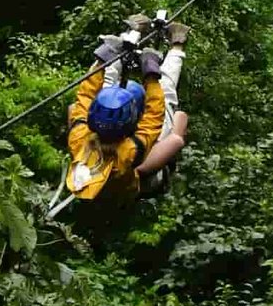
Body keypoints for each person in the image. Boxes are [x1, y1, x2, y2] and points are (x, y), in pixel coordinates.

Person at [63, 15, 190, 208]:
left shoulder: (79, 137)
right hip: (139, 181)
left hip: (93, 167)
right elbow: (154, 116)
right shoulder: (128, 152)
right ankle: (177, 46)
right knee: (172, 110)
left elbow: (84, 99)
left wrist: (102, 61)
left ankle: (126, 40)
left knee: (85, 102)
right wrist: (151, 76)